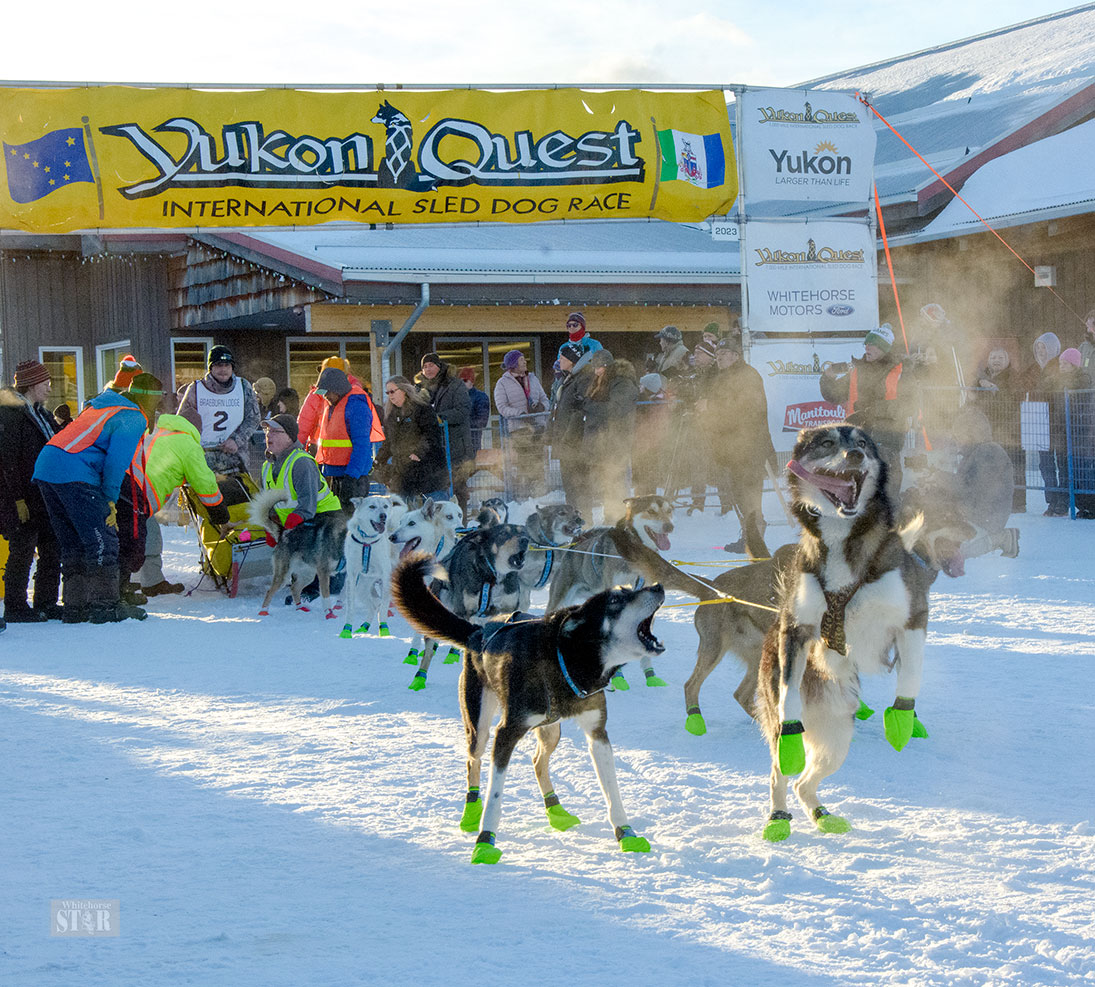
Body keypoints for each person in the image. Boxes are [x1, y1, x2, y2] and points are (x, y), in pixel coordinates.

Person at [33, 373, 164, 623]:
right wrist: (110, 501)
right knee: (102, 540)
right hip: (75, 471)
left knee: (73, 541)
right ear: (151, 400)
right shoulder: (133, 416)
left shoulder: (103, 405)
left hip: (48, 466)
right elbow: (116, 464)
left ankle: (75, 606)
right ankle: (104, 606)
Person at [131, 390, 232, 597]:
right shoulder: (188, 444)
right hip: (145, 492)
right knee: (150, 538)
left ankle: (132, 580)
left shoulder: (156, 431)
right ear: (197, 430)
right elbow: (206, 486)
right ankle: (151, 582)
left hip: (126, 483)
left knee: (131, 533)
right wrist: (221, 516)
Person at [0, 361, 62, 622]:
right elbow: (7, 459)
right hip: (23, 495)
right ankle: (15, 606)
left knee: (52, 548)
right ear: (32, 384)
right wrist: (17, 499)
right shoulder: (11, 414)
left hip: (45, 494)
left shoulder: (43, 414)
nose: (49, 388)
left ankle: (46, 602)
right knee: (22, 550)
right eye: (45, 383)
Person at [820, 323, 909, 500]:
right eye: (866, 343)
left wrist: (871, 411)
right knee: (858, 490)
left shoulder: (900, 370)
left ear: (884, 348)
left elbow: (908, 404)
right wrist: (828, 376)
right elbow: (833, 395)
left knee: (886, 489)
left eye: (873, 344)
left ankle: (888, 521)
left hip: (887, 438)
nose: (867, 347)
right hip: (857, 437)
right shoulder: (857, 371)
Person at [706, 338, 776, 554]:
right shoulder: (725, 377)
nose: (719, 358)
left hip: (749, 445)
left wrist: (711, 407)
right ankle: (749, 536)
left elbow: (749, 410)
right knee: (739, 493)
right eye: (717, 354)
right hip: (733, 445)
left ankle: (755, 537)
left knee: (749, 492)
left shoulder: (747, 376)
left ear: (736, 356)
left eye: (724, 353)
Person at [177, 345, 261, 476]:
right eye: (219, 365)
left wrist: (236, 440)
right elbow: (181, 424)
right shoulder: (196, 389)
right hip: (203, 460)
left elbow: (253, 418)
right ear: (211, 367)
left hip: (236, 461)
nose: (223, 369)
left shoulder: (243, 387)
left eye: (227, 365)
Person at [259, 414, 342, 534]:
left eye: (275, 431)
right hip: (298, 525)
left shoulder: (301, 463)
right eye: (267, 431)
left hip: (325, 522)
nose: (268, 435)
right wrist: (272, 527)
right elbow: (268, 505)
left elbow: (308, 505)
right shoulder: (266, 467)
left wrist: (292, 522)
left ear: (289, 437)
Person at [582, 349, 639, 519]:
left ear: (608, 366)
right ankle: (611, 516)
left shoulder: (623, 383)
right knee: (608, 481)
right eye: (595, 368)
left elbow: (615, 410)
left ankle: (621, 517)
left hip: (617, 440)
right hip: (604, 441)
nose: (596, 371)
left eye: (600, 367)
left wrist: (589, 406)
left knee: (617, 481)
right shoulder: (602, 383)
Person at [372, 377, 449, 501]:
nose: (390, 395)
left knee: (434, 511)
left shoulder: (422, 409)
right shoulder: (391, 414)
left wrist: (418, 453)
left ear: (404, 390)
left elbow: (431, 435)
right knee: (402, 511)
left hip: (428, 470)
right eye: (388, 392)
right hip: (403, 472)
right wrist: (379, 460)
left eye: (393, 391)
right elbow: (389, 442)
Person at [313, 366, 376, 510]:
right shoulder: (335, 405)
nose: (325, 396)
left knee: (349, 522)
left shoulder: (356, 407)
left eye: (327, 392)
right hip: (337, 475)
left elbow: (362, 446)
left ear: (337, 389)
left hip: (353, 478)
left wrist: (351, 477)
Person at [971, 346, 1025, 511]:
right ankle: (991, 499)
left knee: (1013, 466)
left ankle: (1018, 503)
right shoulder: (982, 377)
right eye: (993, 357)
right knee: (991, 465)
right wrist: (980, 382)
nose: (996, 360)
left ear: (1007, 361)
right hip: (988, 429)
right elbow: (973, 395)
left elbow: (1014, 397)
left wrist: (995, 390)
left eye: (1000, 358)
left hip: (1010, 429)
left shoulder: (1013, 377)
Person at [418, 353, 473, 509]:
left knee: (457, 485)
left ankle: (459, 523)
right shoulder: (420, 389)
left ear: (439, 366)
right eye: (425, 366)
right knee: (436, 485)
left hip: (455, 445)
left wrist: (439, 418)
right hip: (433, 448)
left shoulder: (454, 385)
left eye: (431, 365)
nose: (428, 369)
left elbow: (463, 410)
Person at [494, 350, 550, 501]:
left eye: (524, 359)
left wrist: (542, 407)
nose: (525, 362)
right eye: (521, 360)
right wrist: (519, 413)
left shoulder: (532, 378)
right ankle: (524, 497)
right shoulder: (502, 383)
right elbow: (502, 407)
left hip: (538, 427)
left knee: (538, 462)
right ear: (513, 364)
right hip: (520, 430)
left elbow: (545, 398)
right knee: (525, 463)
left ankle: (540, 496)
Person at [298, 357, 383, 455]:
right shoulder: (357, 394)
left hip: (320, 448)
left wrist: (295, 448)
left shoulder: (316, 395)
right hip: (348, 452)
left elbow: (303, 425)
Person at [1023, 332, 1066, 516]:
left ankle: (1063, 501)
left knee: (1062, 462)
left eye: (1044, 347)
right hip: (1039, 421)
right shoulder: (1033, 368)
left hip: (1058, 420)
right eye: (1038, 348)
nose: (1041, 351)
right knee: (1045, 463)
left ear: (1053, 348)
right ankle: (1052, 500)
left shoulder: (1059, 366)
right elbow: (1021, 383)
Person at [549, 343, 593, 517]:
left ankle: (585, 520)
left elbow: (583, 408)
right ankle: (574, 520)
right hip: (565, 442)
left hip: (575, 444)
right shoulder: (568, 380)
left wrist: (569, 435)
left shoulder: (582, 379)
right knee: (570, 487)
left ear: (572, 361)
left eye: (563, 358)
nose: (559, 361)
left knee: (579, 485)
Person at [458, 366, 491, 453]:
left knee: (471, 462)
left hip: (473, 439)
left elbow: (482, 420)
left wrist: (464, 424)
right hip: (459, 440)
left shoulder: (480, 397)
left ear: (472, 381)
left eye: (465, 380)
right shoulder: (457, 397)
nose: (462, 383)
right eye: (460, 381)